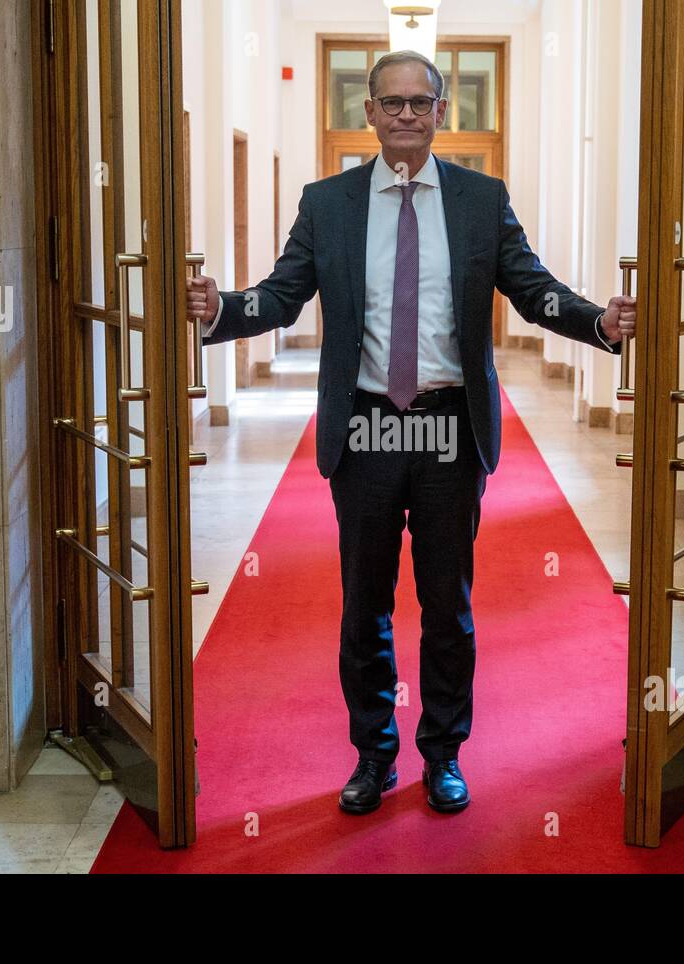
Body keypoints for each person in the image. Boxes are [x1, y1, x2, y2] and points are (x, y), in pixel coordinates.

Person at [188, 50, 638, 816]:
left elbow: (531, 290)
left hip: (447, 430)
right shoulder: (326, 203)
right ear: (369, 112)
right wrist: (223, 311)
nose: (404, 114)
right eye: (390, 102)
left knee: (446, 602)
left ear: (439, 112)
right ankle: (372, 754)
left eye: (418, 102)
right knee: (363, 601)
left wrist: (598, 322)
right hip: (363, 427)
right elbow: (286, 294)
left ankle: (443, 754)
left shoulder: (478, 199)